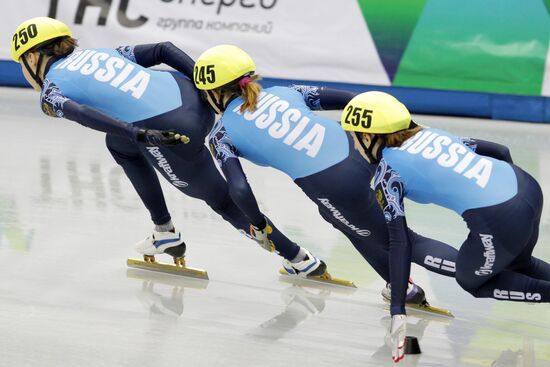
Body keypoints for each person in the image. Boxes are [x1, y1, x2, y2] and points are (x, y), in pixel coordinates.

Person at [10, 16, 327, 277]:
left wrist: (138, 133)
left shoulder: (51, 91)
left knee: (224, 203)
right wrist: (206, 88)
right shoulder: (105, 52)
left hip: (172, 131)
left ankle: (300, 259)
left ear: (33, 57)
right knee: (119, 144)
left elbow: (82, 114)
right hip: (189, 94)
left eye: (22, 63)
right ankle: (164, 231)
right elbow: (164, 49)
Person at [193, 44, 465, 302]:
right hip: (360, 147)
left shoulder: (222, 134)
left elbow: (239, 189)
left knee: (404, 241)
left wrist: (260, 226)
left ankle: (491, 271)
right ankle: (399, 285)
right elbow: (353, 100)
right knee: (339, 219)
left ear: (215, 93)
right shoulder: (285, 92)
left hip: (333, 183)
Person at [340, 91, 550, 362]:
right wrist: (506, 198)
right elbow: (500, 151)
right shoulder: (431, 134)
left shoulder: (387, 174)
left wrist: (397, 310)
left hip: (501, 216)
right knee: (519, 265)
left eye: (353, 136)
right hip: (526, 186)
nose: (354, 146)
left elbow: (399, 242)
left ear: (368, 137)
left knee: (471, 280)